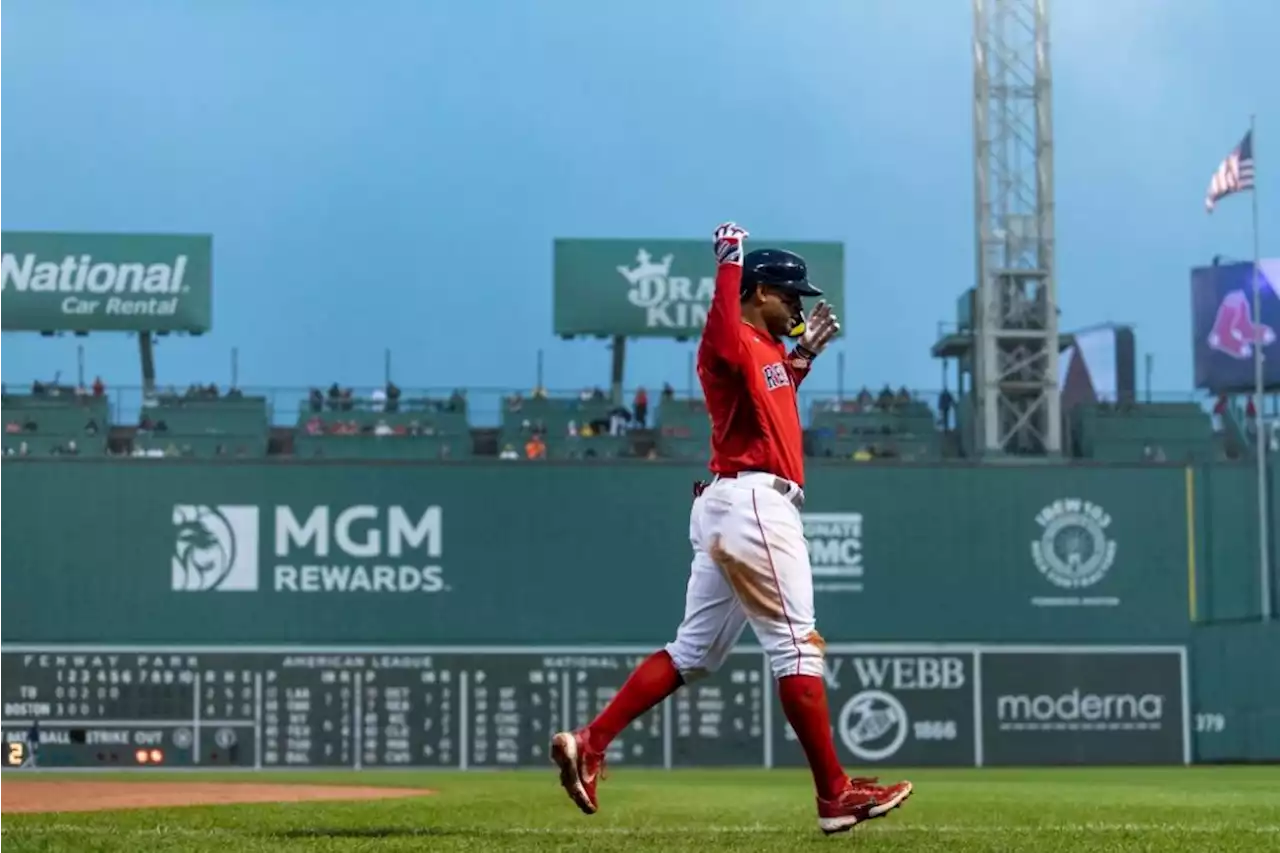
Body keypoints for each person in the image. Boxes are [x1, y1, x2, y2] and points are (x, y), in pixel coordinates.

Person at [550, 223, 913, 834]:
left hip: (731, 503)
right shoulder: (732, 336)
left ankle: (590, 741)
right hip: (755, 503)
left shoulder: (767, 349)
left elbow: (768, 398)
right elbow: (721, 338)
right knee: (797, 645)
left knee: (694, 653)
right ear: (759, 292)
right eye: (790, 294)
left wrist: (802, 360)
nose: (800, 305)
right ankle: (835, 796)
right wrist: (727, 263)